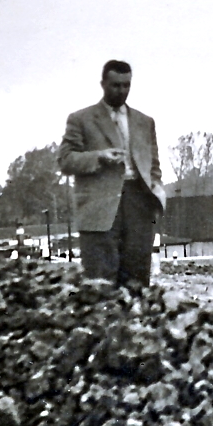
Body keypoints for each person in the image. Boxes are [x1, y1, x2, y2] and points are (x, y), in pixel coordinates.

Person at [58, 60, 167, 289]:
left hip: (138, 204)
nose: (121, 91)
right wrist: (100, 156)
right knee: (101, 279)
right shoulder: (81, 120)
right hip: (100, 207)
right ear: (103, 84)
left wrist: (156, 187)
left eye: (127, 85)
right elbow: (66, 160)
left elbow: (153, 163)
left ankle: (136, 322)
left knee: (137, 278)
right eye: (116, 85)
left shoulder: (144, 122)